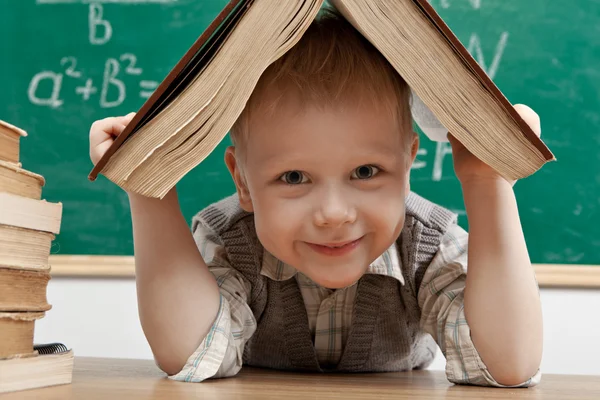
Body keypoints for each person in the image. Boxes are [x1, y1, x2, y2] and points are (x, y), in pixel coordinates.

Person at [89, 8, 543, 387]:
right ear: (243, 182)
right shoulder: (231, 242)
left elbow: (508, 365)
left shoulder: (428, 243)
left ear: (408, 166)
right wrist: (149, 189)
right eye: (293, 177)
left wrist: (489, 184)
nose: (333, 214)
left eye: (366, 172)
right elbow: (188, 353)